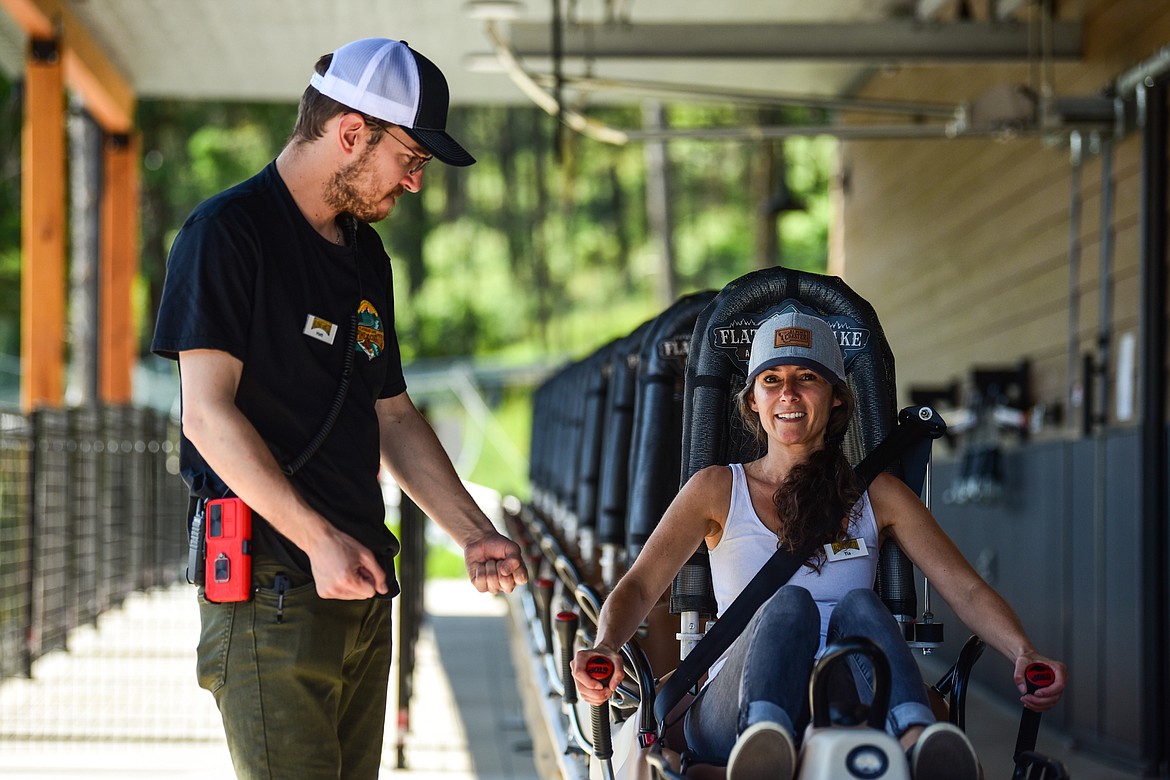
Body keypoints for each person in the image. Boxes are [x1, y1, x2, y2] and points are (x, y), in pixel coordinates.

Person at [151, 37, 527, 779]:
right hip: (270, 593)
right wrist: (316, 540)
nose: (415, 183)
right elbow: (207, 416)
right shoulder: (227, 234)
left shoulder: (365, 256)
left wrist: (473, 532)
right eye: (411, 160)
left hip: (360, 587)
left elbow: (392, 414)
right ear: (352, 132)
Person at [572, 311, 1066, 780]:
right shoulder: (717, 489)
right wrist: (605, 646)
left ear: (834, 397)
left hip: (851, 695)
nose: (788, 392)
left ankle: (917, 739)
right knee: (789, 604)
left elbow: (966, 589)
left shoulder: (876, 493)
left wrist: (1023, 652)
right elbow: (638, 586)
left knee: (861, 605)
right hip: (736, 703)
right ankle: (766, 742)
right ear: (752, 402)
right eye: (772, 380)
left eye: (806, 377)